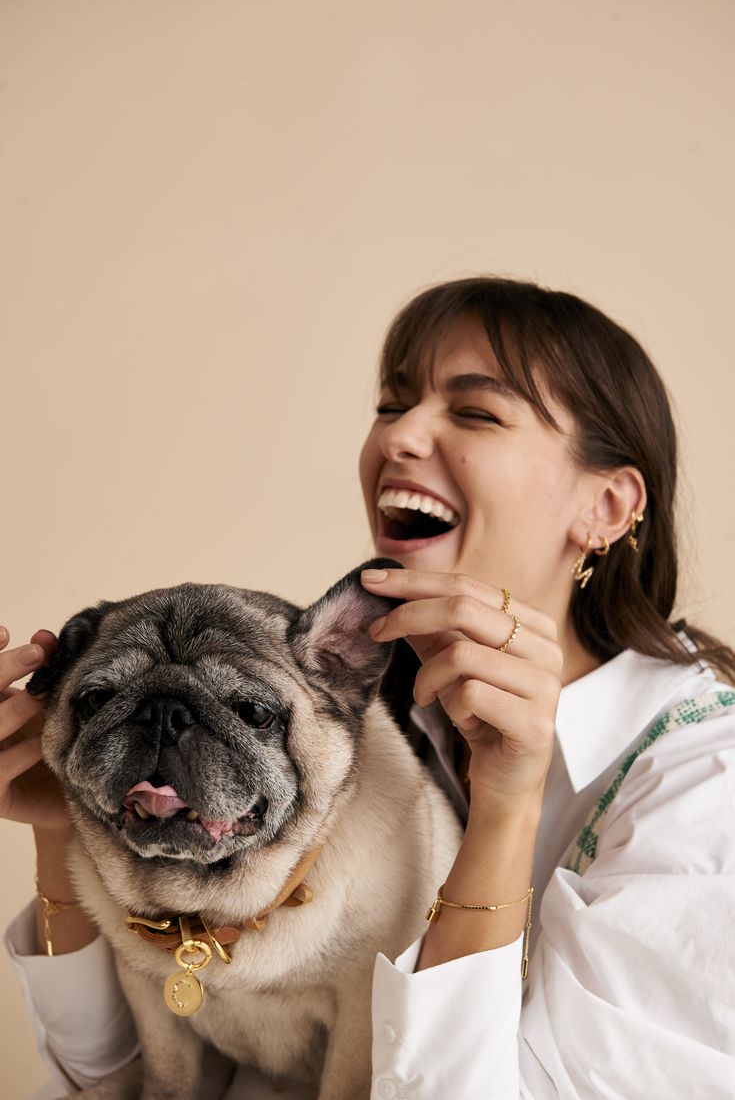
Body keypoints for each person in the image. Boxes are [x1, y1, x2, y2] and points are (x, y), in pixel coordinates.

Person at [3, 277, 734, 1099]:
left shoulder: (707, 794)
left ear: (606, 505)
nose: (400, 435)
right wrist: (58, 813)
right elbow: (119, 1076)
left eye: (473, 412)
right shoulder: (348, 705)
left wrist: (505, 811)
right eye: (391, 405)